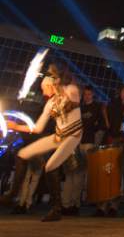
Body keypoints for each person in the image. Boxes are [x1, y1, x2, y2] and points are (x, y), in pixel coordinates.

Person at [0, 63, 82, 222]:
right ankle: (11, 195)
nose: (43, 91)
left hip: (73, 135)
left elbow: (72, 88)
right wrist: (15, 125)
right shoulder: (50, 104)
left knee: (50, 167)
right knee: (22, 154)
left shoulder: (70, 91)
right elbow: (37, 128)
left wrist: (58, 78)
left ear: (52, 85)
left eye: (44, 88)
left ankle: (56, 209)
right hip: (58, 136)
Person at [61, 85, 103, 214]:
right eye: (85, 94)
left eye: (89, 94)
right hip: (76, 143)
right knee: (73, 175)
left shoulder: (97, 107)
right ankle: (68, 204)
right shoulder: (79, 107)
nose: (87, 96)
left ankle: (75, 204)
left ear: (92, 95)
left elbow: (100, 126)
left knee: (80, 175)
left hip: (88, 143)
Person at [96, 84, 124, 217]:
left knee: (119, 176)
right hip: (111, 141)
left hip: (123, 144)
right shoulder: (112, 105)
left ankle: (113, 206)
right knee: (107, 173)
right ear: (120, 92)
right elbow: (106, 123)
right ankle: (103, 206)